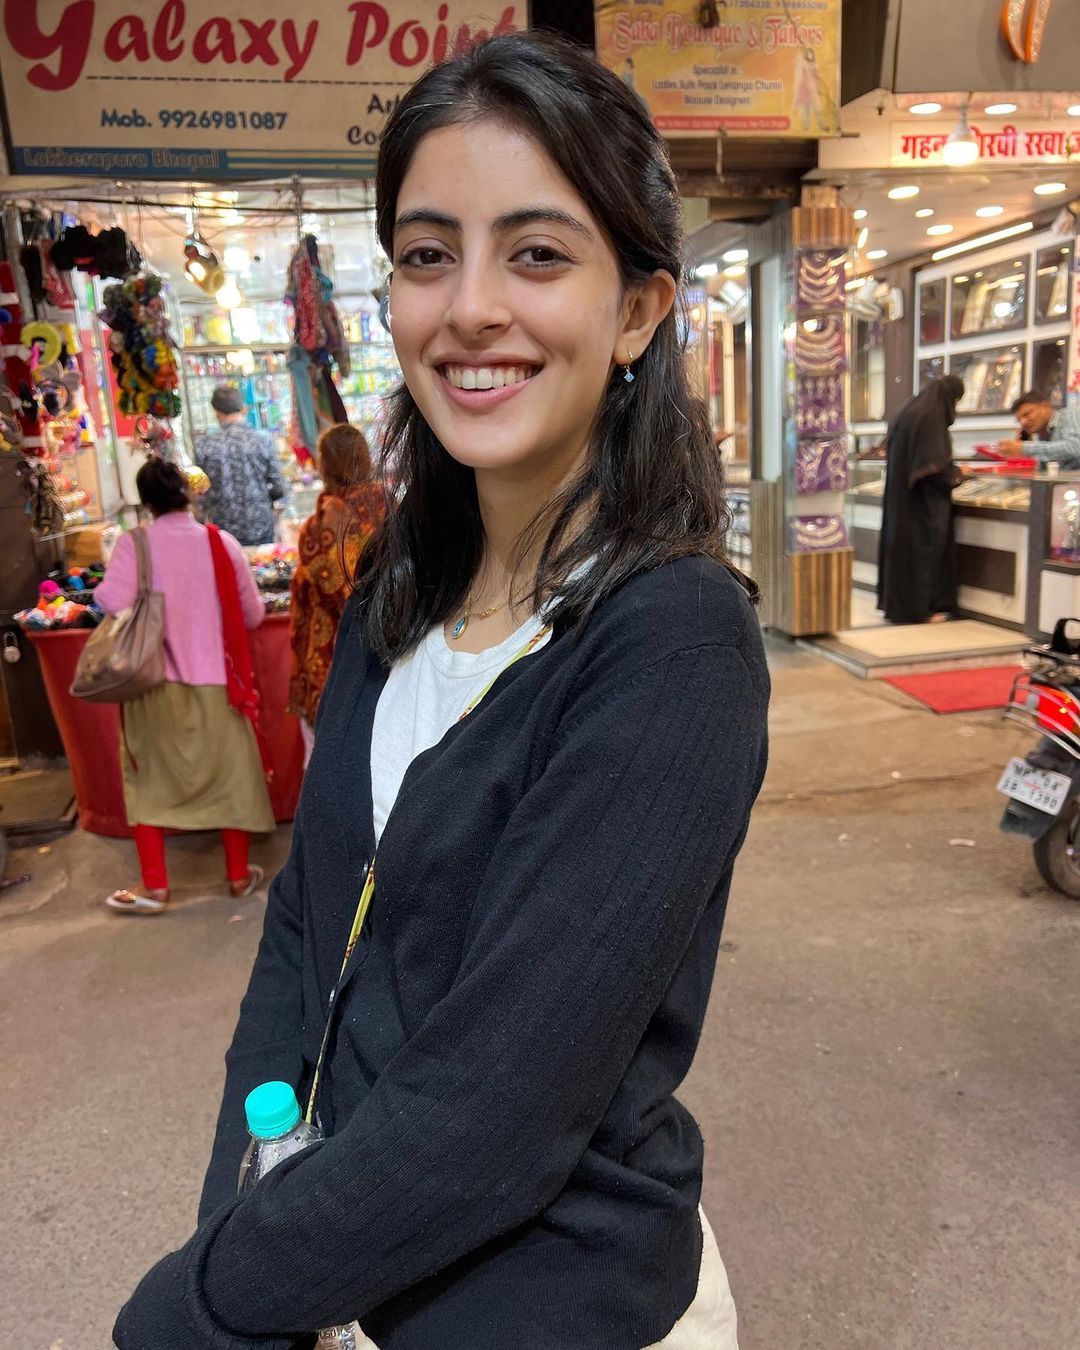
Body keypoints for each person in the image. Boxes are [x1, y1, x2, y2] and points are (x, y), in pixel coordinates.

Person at [113, 31, 769, 1350]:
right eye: (427, 254)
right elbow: (305, 927)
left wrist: (199, 1305)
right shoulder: (397, 588)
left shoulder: (673, 646)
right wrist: (241, 1208)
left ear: (638, 310)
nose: (469, 308)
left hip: (552, 1305)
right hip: (342, 1268)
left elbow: (497, 1114)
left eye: (538, 254)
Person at [95, 457, 274, 914]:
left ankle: (155, 888)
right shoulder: (221, 543)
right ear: (187, 494)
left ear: (146, 502)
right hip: (220, 684)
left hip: (153, 686)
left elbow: (110, 600)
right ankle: (238, 876)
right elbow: (253, 614)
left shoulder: (135, 545)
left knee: (148, 781)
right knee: (231, 778)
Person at [287, 422, 385, 762]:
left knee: (330, 756)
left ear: (324, 466)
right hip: (390, 652)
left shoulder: (321, 524)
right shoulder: (391, 507)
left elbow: (324, 590)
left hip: (333, 658)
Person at [877, 374, 966, 625]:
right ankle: (920, 610)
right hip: (921, 506)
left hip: (900, 502)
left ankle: (900, 608)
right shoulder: (931, 419)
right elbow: (934, 470)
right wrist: (958, 474)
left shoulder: (908, 412)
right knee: (922, 555)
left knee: (904, 555)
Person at [195, 383, 288, 545]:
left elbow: (199, 494)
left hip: (224, 532)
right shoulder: (262, 440)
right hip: (260, 525)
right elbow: (278, 486)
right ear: (243, 409)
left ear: (217, 412)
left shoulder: (204, 446)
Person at [996, 389, 1080, 469]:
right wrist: (1018, 455)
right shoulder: (1038, 438)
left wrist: (1024, 448)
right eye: (1019, 420)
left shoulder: (1070, 415)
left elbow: (1076, 447)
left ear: (1045, 407)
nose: (1023, 422)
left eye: (1026, 414)